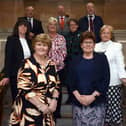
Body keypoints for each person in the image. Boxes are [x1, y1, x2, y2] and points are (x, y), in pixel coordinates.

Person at [9, 34, 60, 126]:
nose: (42, 47)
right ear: (34, 46)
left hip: (47, 111)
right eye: (39, 44)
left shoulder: (52, 64)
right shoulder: (26, 63)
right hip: (28, 111)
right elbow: (24, 89)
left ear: (48, 48)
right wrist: (40, 106)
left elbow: (57, 85)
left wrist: (54, 101)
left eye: (45, 45)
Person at [69, 31, 110, 126]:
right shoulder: (74, 60)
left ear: (94, 44)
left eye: (90, 42)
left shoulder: (102, 59)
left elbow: (105, 79)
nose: (88, 45)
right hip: (79, 102)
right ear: (81, 45)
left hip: (97, 102)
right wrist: (79, 97)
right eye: (85, 42)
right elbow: (70, 81)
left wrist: (93, 96)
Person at [95, 25, 126, 126]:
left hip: (113, 81)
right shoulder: (95, 46)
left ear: (111, 35)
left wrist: (123, 77)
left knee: (114, 106)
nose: (105, 35)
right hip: (99, 82)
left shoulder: (117, 46)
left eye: (108, 33)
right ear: (100, 34)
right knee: (102, 106)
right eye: (103, 33)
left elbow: (120, 63)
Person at [0, 19, 32, 101]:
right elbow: (8, 58)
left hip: (28, 73)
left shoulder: (29, 40)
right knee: (17, 98)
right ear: (17, 27)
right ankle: (17, 113)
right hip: (16, 74)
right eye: (21, 25)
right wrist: (6, 75)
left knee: (27, 98)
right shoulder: (12, 39)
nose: (23, 28)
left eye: (25, 26)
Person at [47, 17, 67, 118]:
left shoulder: (61, 38)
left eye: (54, 25)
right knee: (47, 90)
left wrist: (56, 63)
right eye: (50, 24)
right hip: (45, 69)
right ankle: (47, 111)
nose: (52, 26)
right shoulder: (44, 37)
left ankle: (57, 112)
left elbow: (64, 53)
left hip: (59, 69)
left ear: (57, 27)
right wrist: (48, 64)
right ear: (48, 26)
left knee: (57, 91)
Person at [65, 18, 82, 104]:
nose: (73, 26)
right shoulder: (66, 36)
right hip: (68, 62)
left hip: (79, 61)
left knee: (77, 80)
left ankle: (77, 97)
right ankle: (70, 97)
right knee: (69, 80)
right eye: (71, 25)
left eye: (74, 25)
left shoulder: (81, 35)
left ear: (77, 25)